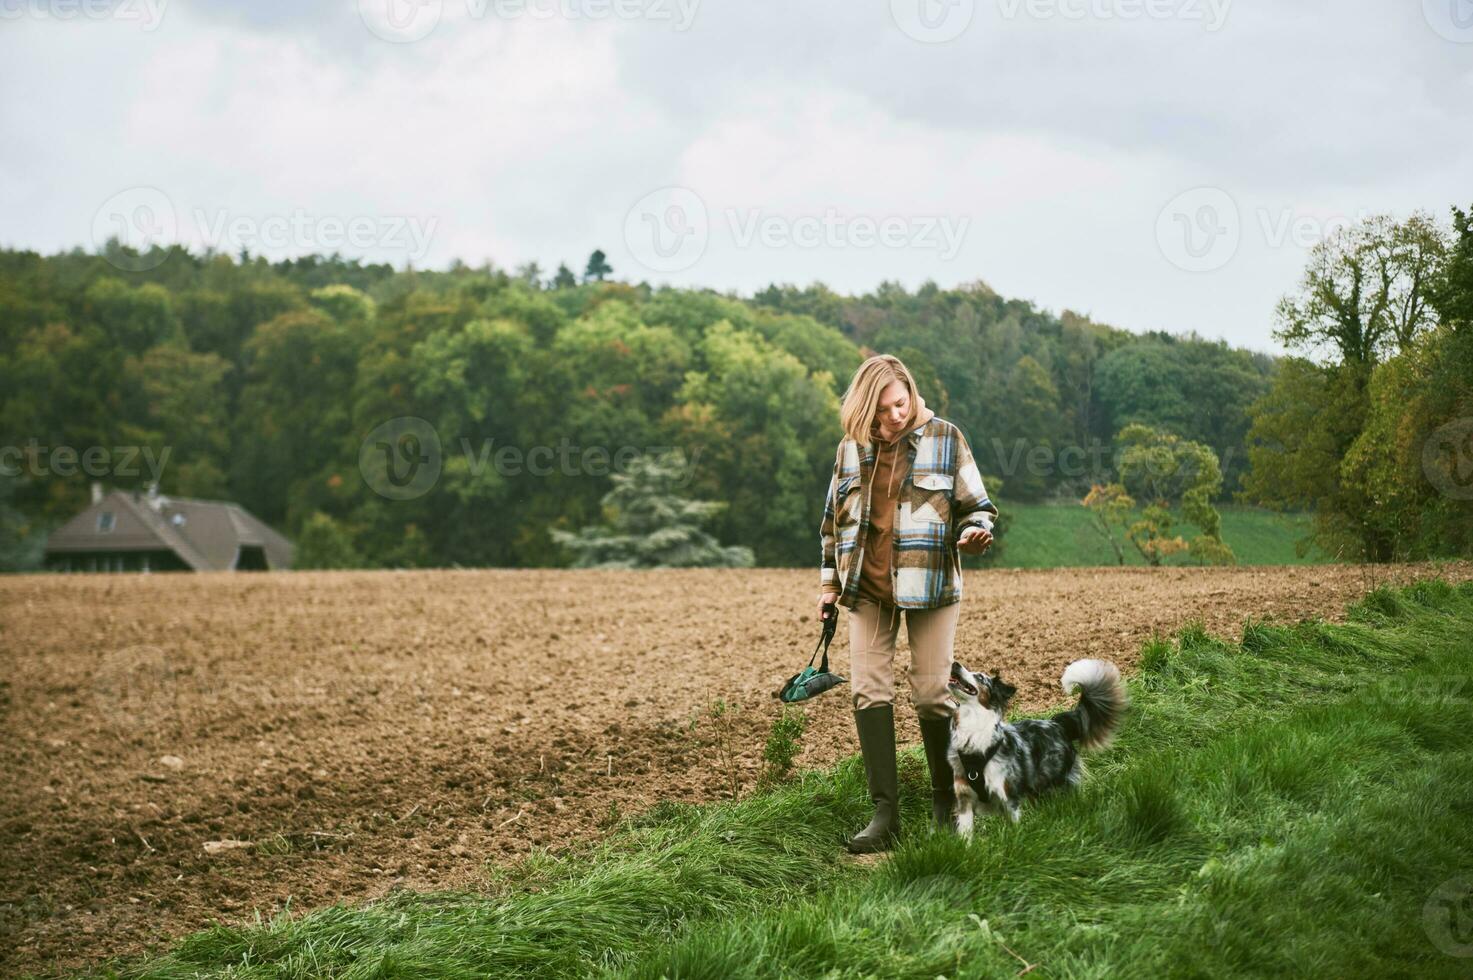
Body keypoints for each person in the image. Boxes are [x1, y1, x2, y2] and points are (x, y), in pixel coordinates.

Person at [817, 354, 997, 853]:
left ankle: (944, 802)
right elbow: (833, 524)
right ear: (863, 412)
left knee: (930, 693)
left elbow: (976, 507)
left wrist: (974, 533)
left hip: (930, 584)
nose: (893, 416)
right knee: (867, 690)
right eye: (880, 412)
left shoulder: (946, 438)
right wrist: (829, 586)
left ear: (911, 392)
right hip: (868, 590)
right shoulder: (850, 450)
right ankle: (886, 815)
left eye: (900, 404)